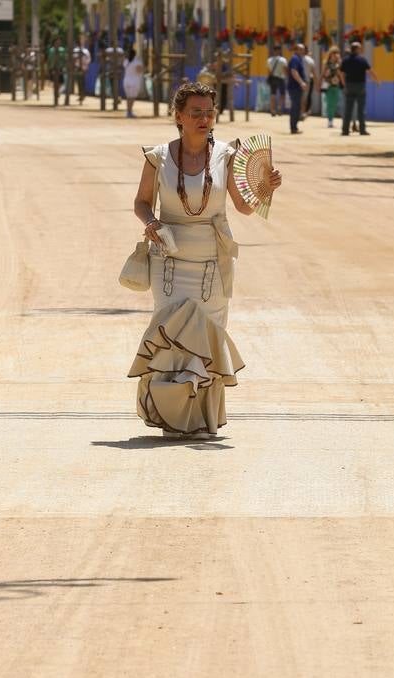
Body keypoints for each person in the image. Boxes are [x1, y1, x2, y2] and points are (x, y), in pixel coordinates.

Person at [127, 81, 282, 439]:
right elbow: (141, 201)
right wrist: (150, 222)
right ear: (178, 117)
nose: (203, 118)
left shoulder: (227, 155)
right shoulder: (159, 156)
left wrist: (264, 188)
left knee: (206, 339)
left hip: (213, 263)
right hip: (168, 260)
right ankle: (171, 418)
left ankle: (197, 421)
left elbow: (242, 207)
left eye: (209, 112)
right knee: (172, 335)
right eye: (195, 112)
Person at [341, 41, 379, 136]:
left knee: (348, 109)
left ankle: (345, 130)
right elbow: (370, 71)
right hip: (360, 86)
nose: (361, 50)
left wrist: (344, 84)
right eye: (360, 48)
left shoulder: (345, 60)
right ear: (357, 49)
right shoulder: (362, 60)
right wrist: (377, 80)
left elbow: (341, 73)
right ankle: (362, 130)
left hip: (349, 85)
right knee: (361, 110)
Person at [320, 45, 343, 128]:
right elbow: (322, 74)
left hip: (336, 85)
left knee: (334, 102)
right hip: (328, 85)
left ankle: (331, 118)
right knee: (329, 102)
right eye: (334, 53)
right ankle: (330, 120)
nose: (336, 54)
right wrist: (319, 84)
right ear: (330, 54)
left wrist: (343, 84)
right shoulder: (326, 63)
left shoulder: (339, 63)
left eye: (337, 53)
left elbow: (341, 74)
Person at [287, 43, 306, 134]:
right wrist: (301, 82)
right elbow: (293, 71)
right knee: (295, 107)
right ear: (296, 50)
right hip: (294, 87)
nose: (303, 51)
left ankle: (294, 126)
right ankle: (293, 127)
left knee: (297, 106)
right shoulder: (295, 59)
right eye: (301, 49)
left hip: (296, 87)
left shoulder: (298, 59)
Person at [123, 46, 144, 117]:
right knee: (132, 97)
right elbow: (139, 70)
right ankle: (129, 111)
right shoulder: (137, 61)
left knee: (128, 97)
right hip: (134, 81)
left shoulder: (126, 61)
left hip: (126, 80)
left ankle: (128, 111)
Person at [267, 44, 287, 116]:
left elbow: (269, 71)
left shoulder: (269, 60)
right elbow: (285, 70)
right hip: (281, 78)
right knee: (282, 94)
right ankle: (279, 107)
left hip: (273, 78)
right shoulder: (283, 60)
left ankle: (272, 110)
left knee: (273, 94)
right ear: (279, 51)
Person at [47, 37, 66, 106]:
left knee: (61, 82)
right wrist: (49, 69)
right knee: (55, 82)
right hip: (53, 68)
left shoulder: (62, 50)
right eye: (57, 42)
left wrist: (64, 66)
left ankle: (58, 92)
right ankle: (56, 96)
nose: (58, 43)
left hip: (60, 68)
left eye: (59, 42)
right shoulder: (51, 50)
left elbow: (64, 58)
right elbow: (49, 59)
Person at [73, 36, 91, 104]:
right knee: (80, 82)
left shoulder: (85, 51)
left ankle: (82, 95)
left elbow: (88, 60)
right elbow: (88, 60)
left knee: (81, 82)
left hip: (82, 68)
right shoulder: (77, 50)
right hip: (80, 68)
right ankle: (81, 95)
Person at [301, 45, 317, 117]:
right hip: (307, 80)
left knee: (302, 97)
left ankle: (303, 111)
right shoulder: (310, 60)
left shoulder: (297, 59)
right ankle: (304, 112)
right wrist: (316, 83)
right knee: (306, 96)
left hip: (302, 80)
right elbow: (314, 73)